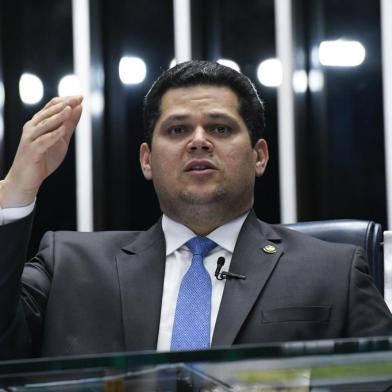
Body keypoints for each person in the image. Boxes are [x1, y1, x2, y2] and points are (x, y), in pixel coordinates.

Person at [0, 61, 391, 360]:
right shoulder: (69, 264)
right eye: (177, 130)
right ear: (147, 161)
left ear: (259, 156)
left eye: (220, 128)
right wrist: (17, 189)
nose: (199, 142)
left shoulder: (333, 271)